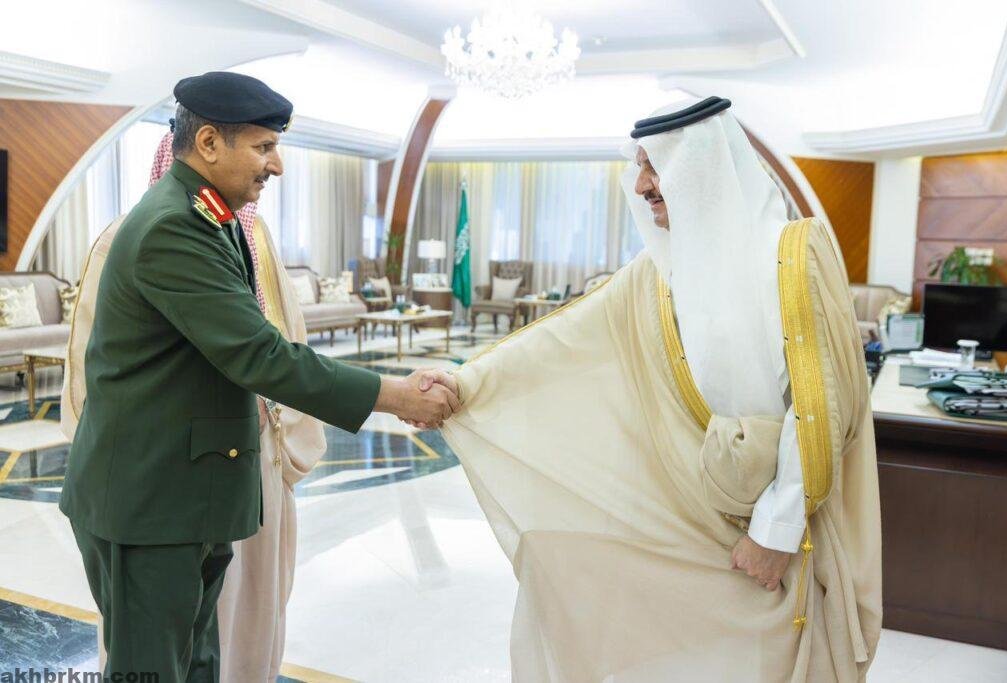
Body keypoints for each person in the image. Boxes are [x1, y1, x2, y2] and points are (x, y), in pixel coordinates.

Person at [438, 97, 882, 681]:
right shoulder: (657, 271)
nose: (642, 184)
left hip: (770, 530)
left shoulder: (793, 255)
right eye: (640, 166)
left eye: (657, 165)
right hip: (683, 506)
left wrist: (775, 532)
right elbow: (562, 339)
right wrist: (463, 384)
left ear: (701, 165)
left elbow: (820, 405)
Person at [59, 71, 459, 683]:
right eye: (264, 146)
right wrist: (397, 395)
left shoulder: (209, 216)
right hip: (148, 502)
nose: (278, 165)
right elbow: (261, 356)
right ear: (209, 143)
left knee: (198, 660)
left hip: (187, 495)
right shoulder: (173, 227)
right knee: (152, 668)